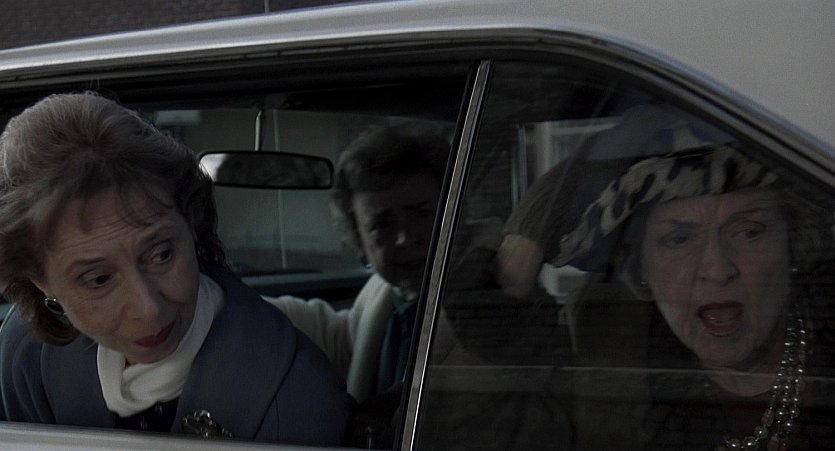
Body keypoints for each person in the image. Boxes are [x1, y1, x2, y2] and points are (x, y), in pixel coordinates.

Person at [0, 92, 354, 445]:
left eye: (162, 254)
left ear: (191, 223)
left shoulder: (299, 399)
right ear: (42, 283)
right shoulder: (25, 355)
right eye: (99, 279)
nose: (148, 309)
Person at [484, 110, 835, 449]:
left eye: (749, 232)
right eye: (679, 239)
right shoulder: (611, 378)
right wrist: (527, 241)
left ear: (791, 245)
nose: (717, 270)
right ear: (641, 270)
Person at [265, 122, 449, 444]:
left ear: (453, 209)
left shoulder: (482, 301)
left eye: (421, 214)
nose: (404, 238)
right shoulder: (384, 294)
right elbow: (340, 336)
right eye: (382, 225)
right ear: (359, 241)